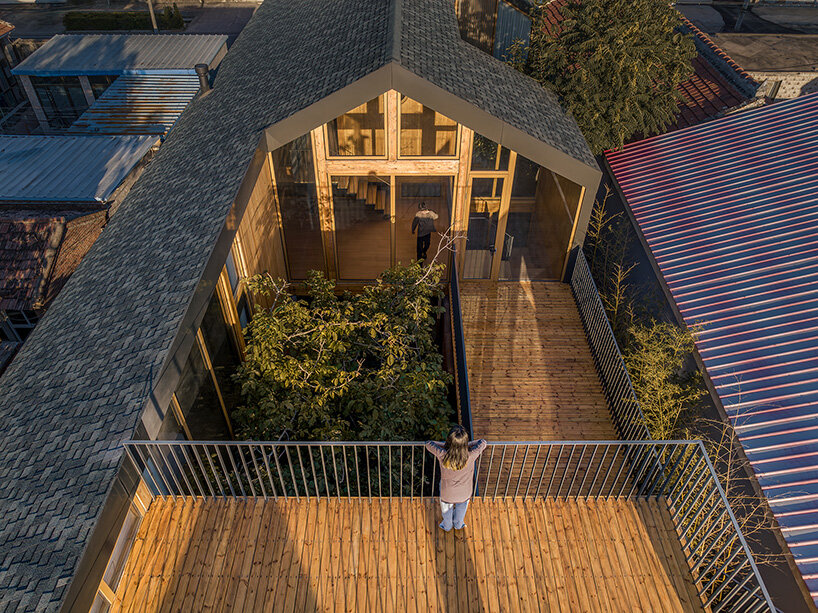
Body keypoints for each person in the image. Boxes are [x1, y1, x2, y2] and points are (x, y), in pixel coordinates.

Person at [425, 426, 487, 531]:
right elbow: (483, 442)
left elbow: (428, 443)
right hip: (465, 492)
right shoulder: (471, 455)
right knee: (461, 511)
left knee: (446, 512)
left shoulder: (442, 454)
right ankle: (458, 525)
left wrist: (445, 445)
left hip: (447, 492)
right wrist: (466, 445)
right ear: (465, 443)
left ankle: (447, 526)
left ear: (449, 441)